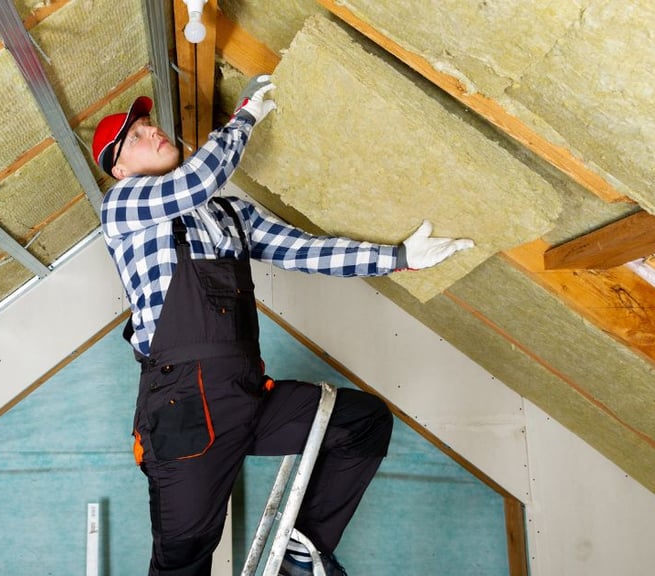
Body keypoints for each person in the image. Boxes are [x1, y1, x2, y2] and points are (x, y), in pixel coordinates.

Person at [91, 75, 474, 576]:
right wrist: (243, 120)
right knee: (184, 560)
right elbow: (195, 181)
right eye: (136, 136)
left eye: (150, 124)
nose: (153, 132)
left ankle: (302, 548)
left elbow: (306, 250)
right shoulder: (124, 206)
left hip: (247, 396)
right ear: (119, 168)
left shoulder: (229, 213)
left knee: (362, 423)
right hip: (184, 409)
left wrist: (398, 257)